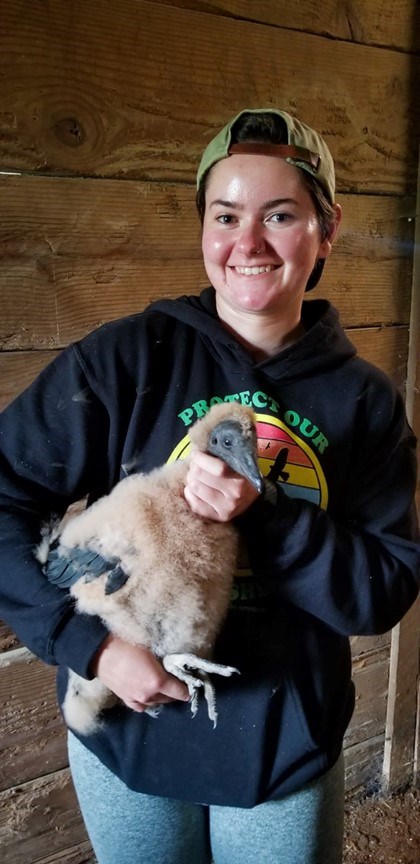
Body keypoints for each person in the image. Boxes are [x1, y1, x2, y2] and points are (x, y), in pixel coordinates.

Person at [0, 108, 418, 864]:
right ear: (203, 229)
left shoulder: (363, 401)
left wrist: (271, 519)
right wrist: (86, 648)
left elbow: (384, 591)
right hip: (131, 731)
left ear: (327, 230)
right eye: (226, 215)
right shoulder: (126, 361)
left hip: (283, 741)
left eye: (281, 215)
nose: (248, 243)